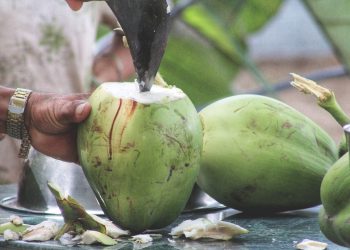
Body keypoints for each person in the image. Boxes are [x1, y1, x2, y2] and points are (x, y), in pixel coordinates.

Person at [0, 0, 125, 183]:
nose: (76, 7)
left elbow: (148, 20)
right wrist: (28, 112)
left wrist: (105, 73)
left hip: (65, 158)